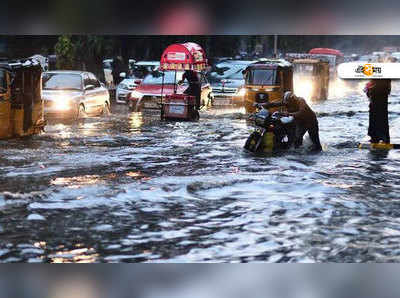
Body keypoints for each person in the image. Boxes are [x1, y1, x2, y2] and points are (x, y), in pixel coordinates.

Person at [364, 79, 391, 143]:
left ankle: (379, 136)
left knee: (377, 112)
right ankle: (378, 136)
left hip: (379, 89)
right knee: (377, 112)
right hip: (378, 89)